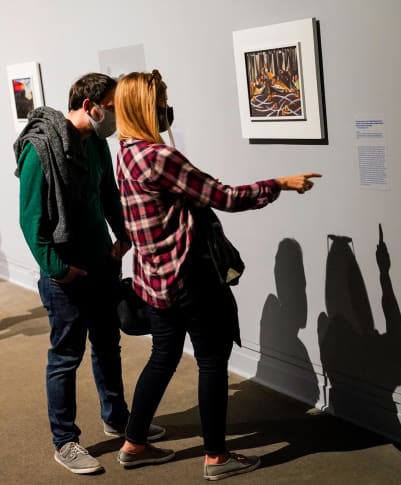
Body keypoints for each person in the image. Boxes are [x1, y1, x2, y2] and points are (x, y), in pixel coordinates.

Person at [113, 70, 321, 480]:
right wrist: (278, 183)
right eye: (161, 102)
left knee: (162, 356)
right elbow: (223, 197)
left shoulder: (125, 153)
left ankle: (134, 443)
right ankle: (216, 458)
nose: (167, 110)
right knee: (211, 363)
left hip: (153, 280)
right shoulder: (160, 157)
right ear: (145, 106)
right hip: (190, 278)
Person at [13, 72, 165, 475]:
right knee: (65, 356)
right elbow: (30, 219)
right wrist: (57, 269)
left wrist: (123, 234)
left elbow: (107, 193)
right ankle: (64, 442)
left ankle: (116, 417)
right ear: (90, 106)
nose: (116, 117)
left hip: (101, 262)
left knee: (107, 344)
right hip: (65, 274)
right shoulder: (39, 148)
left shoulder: (96, 145)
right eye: (112, 108)